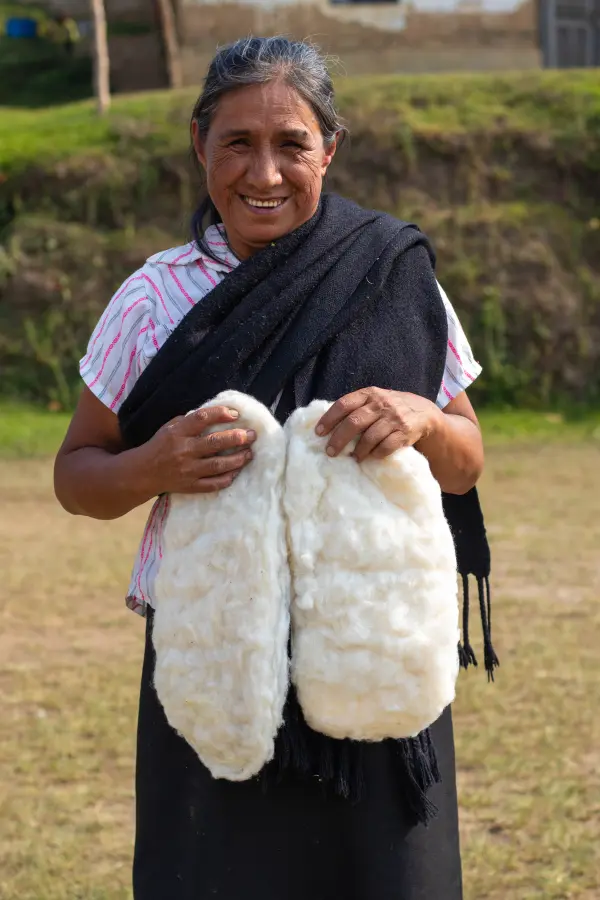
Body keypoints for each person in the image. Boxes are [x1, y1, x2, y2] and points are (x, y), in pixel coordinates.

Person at [54, 36, 496, 900]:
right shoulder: (154, 298)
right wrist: (152, 463)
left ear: (329, 149)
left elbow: (466, 460)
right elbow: (77, 474)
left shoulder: (394, 275)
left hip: (376, 648)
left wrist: (422, 418)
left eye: (292, 144)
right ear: (198, 146)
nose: (265, 172)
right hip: (214, 656)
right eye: (237, 144)